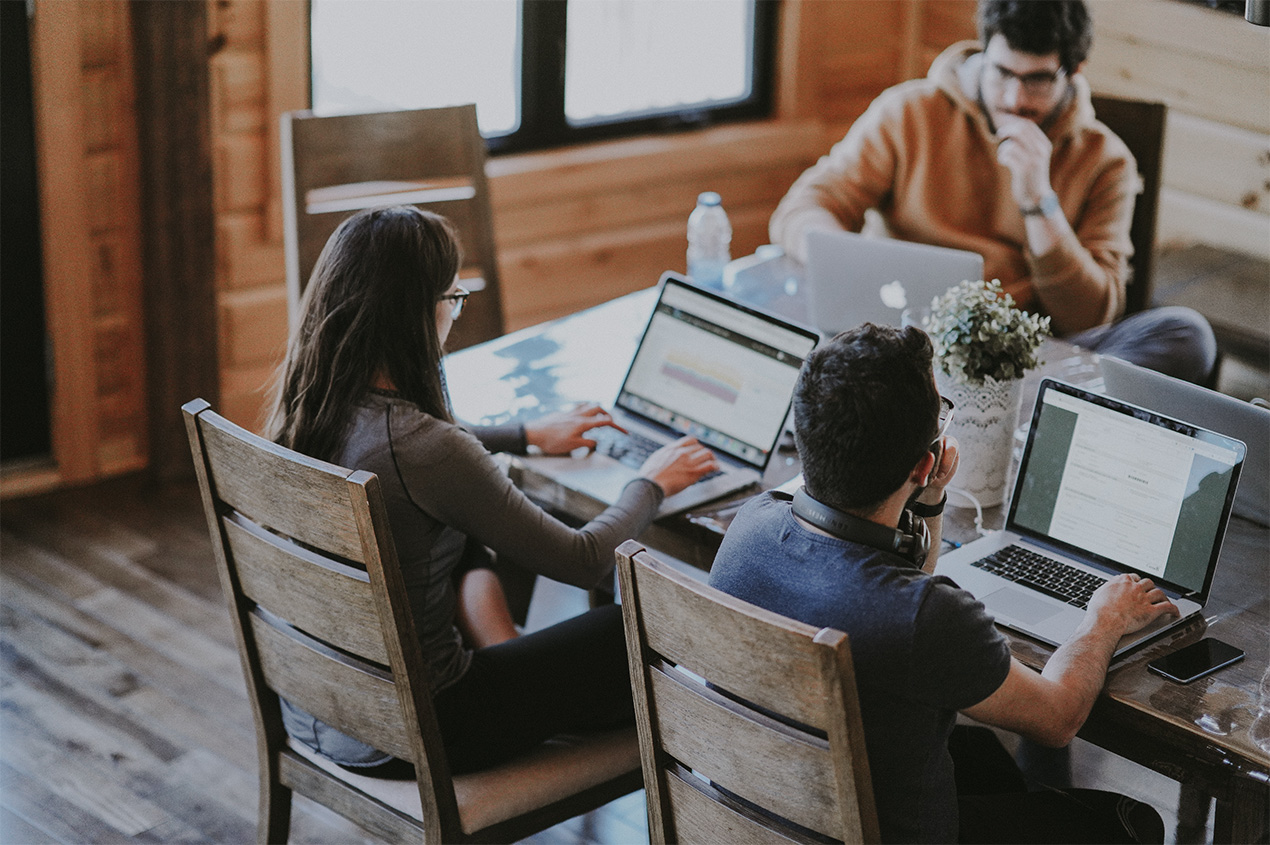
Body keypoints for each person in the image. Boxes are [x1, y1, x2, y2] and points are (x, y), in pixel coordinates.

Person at [266, 205, 719, 776]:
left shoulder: (312, 406)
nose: (456, 313)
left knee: (462, 529)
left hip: (321, 707)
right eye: (453, 299)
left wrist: (525, 435)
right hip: (425, 727)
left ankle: (511, 657)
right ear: (417, 314)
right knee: (627, 626)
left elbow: (422, 453)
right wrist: (651, 481)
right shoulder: (424, 449)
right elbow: (580, 561)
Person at [708, 323, 1176, 844]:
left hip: (761, 815)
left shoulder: (747, 527)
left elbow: (895, 597)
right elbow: (1059, 717)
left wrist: (927, 502)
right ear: (924, 463)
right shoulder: (925, 616)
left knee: (983, 760)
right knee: (1134, 825)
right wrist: (1104, 619)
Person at [769, 0, 1215, 385]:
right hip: (902, 338)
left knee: (1186, 335)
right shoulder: (908, 112)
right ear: (984, 51)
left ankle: (1002, 413)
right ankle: (1003, 415)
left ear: (1073, 71)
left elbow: (1091, 317)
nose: (1015, 98)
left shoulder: (1106, 161)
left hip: (1027, 358)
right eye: (1002, 72)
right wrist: (848, 266)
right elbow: (803, 209)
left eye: (1038, 79)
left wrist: (1039, 200)